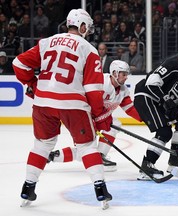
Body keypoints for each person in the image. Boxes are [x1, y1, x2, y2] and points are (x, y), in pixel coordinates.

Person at [12, 8, 113, 206]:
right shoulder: (89, 50)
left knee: (41, 145)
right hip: (73, 104)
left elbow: (18, 63)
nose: (88, 31)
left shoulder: (46, 42)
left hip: (43, 103)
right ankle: (100, 190)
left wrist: (33, 84)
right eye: (87, 27)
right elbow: (93, 90)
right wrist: (99, 115)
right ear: (82, 26)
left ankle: (28, 188)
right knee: (86, 146)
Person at [47, 60, 142, 171]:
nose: (126, 77)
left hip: (96, 119)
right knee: (84, 152)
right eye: (124, 74)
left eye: (127, 74)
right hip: (81, 119)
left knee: (114, 123)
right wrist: (91, 121)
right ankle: (50, 156)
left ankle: (100, 156)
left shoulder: (123, 90)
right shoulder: (100, 83)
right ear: (115, 73)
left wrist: (147, 119)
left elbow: (130, 109)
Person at [133, 47, 178, 180]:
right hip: (146, 96)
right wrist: (165, 99)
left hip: (159, 102)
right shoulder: (172, 65)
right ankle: (146, 166)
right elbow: (151, 82)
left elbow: (176, 101)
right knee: (164, 132)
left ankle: (174, 159)